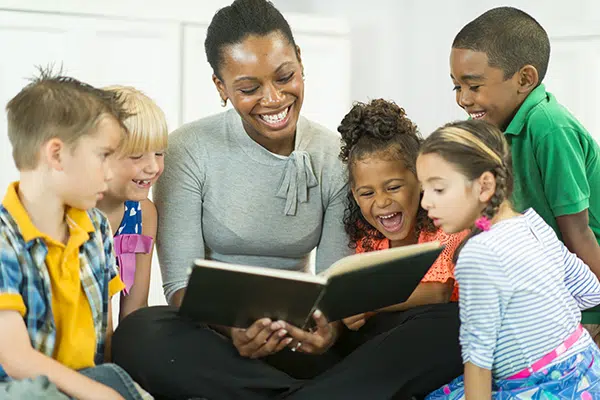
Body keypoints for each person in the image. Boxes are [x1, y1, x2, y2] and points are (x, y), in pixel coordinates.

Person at [112, 1, 459, 399]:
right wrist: (233, 329)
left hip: (304, 337)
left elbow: (335, 280)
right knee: (139, 334)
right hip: (220, 340)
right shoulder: (187, 150)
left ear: (301, 63)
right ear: (221, 87)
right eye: (248, 88)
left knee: (448, 323)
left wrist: (329, 329)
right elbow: (179, 286)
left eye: (285, 76)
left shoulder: (333, 154)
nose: (273, 98)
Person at [418, 120, 600, 399]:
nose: (425, 202)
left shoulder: (477, 254)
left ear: (485, 186)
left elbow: (478, 360)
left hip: (541, 388)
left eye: (439, 189)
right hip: (586, 371)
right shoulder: (533, 225)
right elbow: (590, 290)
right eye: (424, 189)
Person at [0, 69, 147, 399]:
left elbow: (104, 333)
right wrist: (101, 394)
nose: (110, 174)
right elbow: (15, 359)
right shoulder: (4, 238)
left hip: (86, 378)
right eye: (104, 156)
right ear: (56, 154)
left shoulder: (95, 228)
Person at [450, 7, 600, 280]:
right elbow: (502, 211)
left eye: (474, 86)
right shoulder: (497, 129)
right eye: (456, 87)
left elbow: (578, 233)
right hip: (546, 272)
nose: (463, 99)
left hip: (585, 278)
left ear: (524, 79)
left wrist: (589, 315)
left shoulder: (550, 127)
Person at [337, 99, 468, 333]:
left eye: (394, 187)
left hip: (447, 330)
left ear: (421, 181)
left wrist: (368, 304)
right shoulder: (369, 239)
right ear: (355, 197)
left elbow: (438, 292)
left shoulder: (446, 225)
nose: (382, 201)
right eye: (367, 193)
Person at [97, 86, 168, 321]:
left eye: (159, 153)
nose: (153, 167)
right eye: (137, 156)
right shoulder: (76, 213)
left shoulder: (144, 214)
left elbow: (135, 311)